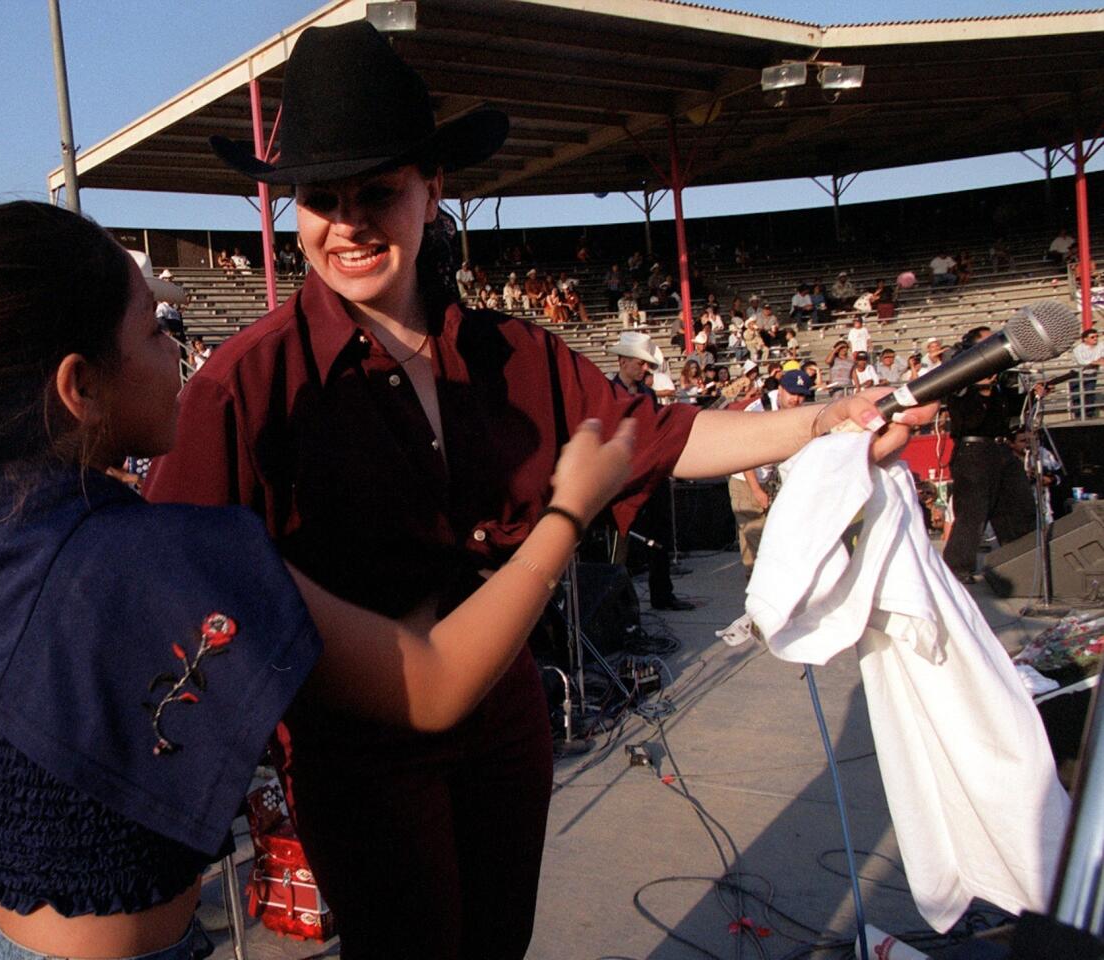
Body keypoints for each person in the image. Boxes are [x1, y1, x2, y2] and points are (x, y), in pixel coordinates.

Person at [151, 21, 927, 960]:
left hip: (507, 724)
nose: (349, 223)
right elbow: (174, 576)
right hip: (356, 751)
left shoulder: (515, 354)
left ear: (432, 192)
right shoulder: (242, 384)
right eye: (322, 198)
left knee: (495, 946)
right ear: (292, 210)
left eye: (378, 192)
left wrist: (824, 418)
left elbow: (661, 436)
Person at [0, 201, 636, 960]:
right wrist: (567, 511)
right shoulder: (165, 558)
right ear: (79, 385)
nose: (180, 352)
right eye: (156, 331)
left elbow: (19, 700)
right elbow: (434, 684)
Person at [942, 327, 1038, 584]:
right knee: (973, 512)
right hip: (974, 451)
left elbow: (1009, 412)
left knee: (1019, 506)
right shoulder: (960, 383)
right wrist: (982, 391)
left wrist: (1034, 395)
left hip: (1000, 449)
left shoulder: (1000, 385)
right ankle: (957, 569)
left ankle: (1023, 561)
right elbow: (970, 421)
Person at [607, 332, 693, 611]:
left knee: (660, 538)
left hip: (650, 476)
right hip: (622, 479)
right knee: (620, 544)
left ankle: (662, 594)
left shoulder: (647, 394)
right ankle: (618, 605)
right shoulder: (608, 393)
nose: (645, 369)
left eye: (646, 364)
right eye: (639, 363)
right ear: (622, 361)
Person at [727, 369, 815, 577]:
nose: (796, 399)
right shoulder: (758, 411)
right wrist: (756, 489)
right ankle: (758, 584)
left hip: (770, 477)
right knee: (754, 531)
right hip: (746, 478)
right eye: (792, 393)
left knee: (774, 531)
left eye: (801, 395)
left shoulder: (794, 410)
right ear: (781, 389)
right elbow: (743, 455)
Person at [1071, 327, 1102, 419]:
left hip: (1091, 373)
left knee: (1089, 393)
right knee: (1077, 395)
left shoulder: (1101, 346)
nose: (1095, 338)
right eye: (1092, 337)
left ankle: (1089, 415)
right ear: (1085, 339)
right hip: (1077, 373)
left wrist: (1094, 362)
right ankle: (1078, 416)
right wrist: (1096, 361)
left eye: (1096, 336)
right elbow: (1082, 361)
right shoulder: (1078, 349)